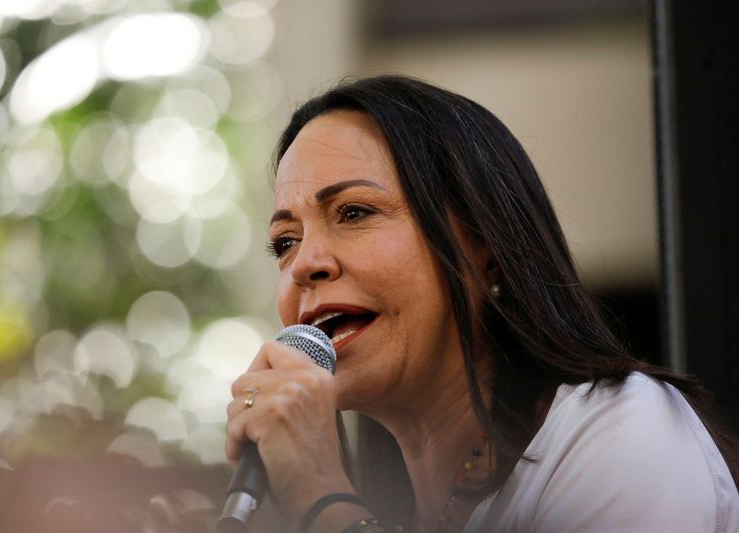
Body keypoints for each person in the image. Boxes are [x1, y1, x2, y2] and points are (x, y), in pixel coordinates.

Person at [224, 75, 739, 533]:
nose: (305, 263)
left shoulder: (619, 432)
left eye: (355, 211)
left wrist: (322, 499)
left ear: (487, 245)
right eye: (285, 241)